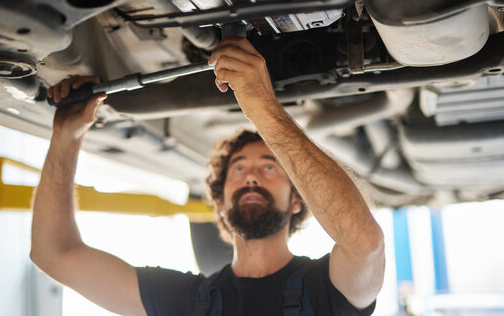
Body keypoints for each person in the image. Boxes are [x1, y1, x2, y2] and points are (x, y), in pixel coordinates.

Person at [31, 38, 385, 315]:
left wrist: (261, 106)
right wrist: (66, 138)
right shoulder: (187, 301)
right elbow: (55, 253)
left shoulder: (327, 292)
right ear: (219, 199)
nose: (251, 177)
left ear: (297, 199)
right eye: (240, 168)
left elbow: (365, 242)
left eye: (269, 167)